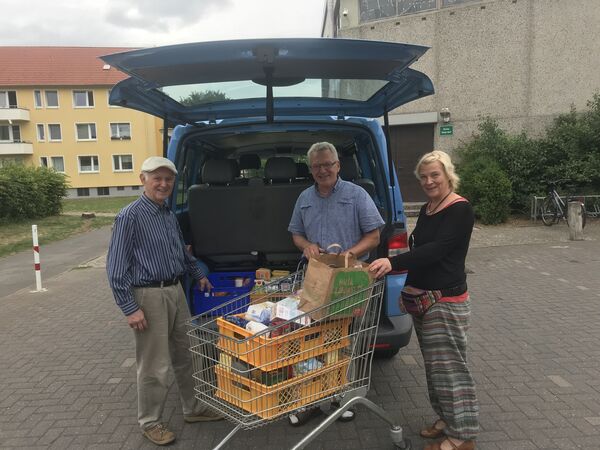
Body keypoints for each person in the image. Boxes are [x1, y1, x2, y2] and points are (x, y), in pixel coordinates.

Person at [106, 156, 221, 446]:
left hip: (175, 290)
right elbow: (116, 267)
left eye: (168, 178)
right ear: (142, 179)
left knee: (188, 354)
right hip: (148, 296)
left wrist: (198, 273)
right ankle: (150, 421)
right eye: (156, 177)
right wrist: (129, 307)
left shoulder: (167, 214)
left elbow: (180, 252)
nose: (163, 183)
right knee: (154, 365)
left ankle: (193, 408)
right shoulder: (129, 216)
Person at [369, 150, 478, 450]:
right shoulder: (431, 207)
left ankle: (462, 436)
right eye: (424, 176)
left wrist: (394, 263)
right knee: (435, 367)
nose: (429, 181)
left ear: (447, 175)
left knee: (451, 368)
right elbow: (419, 248)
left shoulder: (459, 209)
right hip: (424, 301)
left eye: (435, 175)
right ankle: (446, 419)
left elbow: (438, 250)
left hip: (445, 301)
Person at [288, 141, 385, 425]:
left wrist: (350, 253)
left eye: (328, 164)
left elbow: (375, 236)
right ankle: (311, 400)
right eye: (317, 166)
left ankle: (342, 397)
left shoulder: (357, 195)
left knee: (346, 338)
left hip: (350, 279)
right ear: (311, 169)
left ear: (338, 165)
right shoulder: (304, 197)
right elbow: (295, 233)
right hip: (316, 280)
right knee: (310, 341)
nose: (323, 170)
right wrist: (306, 246)